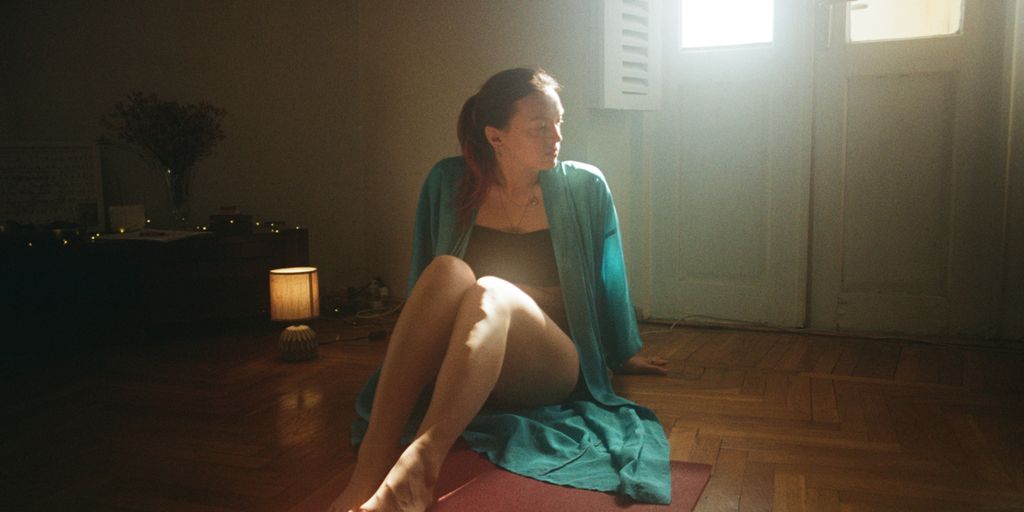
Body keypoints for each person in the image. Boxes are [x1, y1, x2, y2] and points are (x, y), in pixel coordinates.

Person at [329, 68, 671, 512]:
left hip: (549, 362)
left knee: (490, 288)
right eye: (539, 127)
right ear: (496, 137)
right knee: (447, 269)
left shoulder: (585, 186)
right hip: (466, 355)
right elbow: (423, 283)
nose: (556, 136)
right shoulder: (447, 181)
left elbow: (610, 277)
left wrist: (623, 353)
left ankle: (420, 465)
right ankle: (370, 467)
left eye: (559, 122)